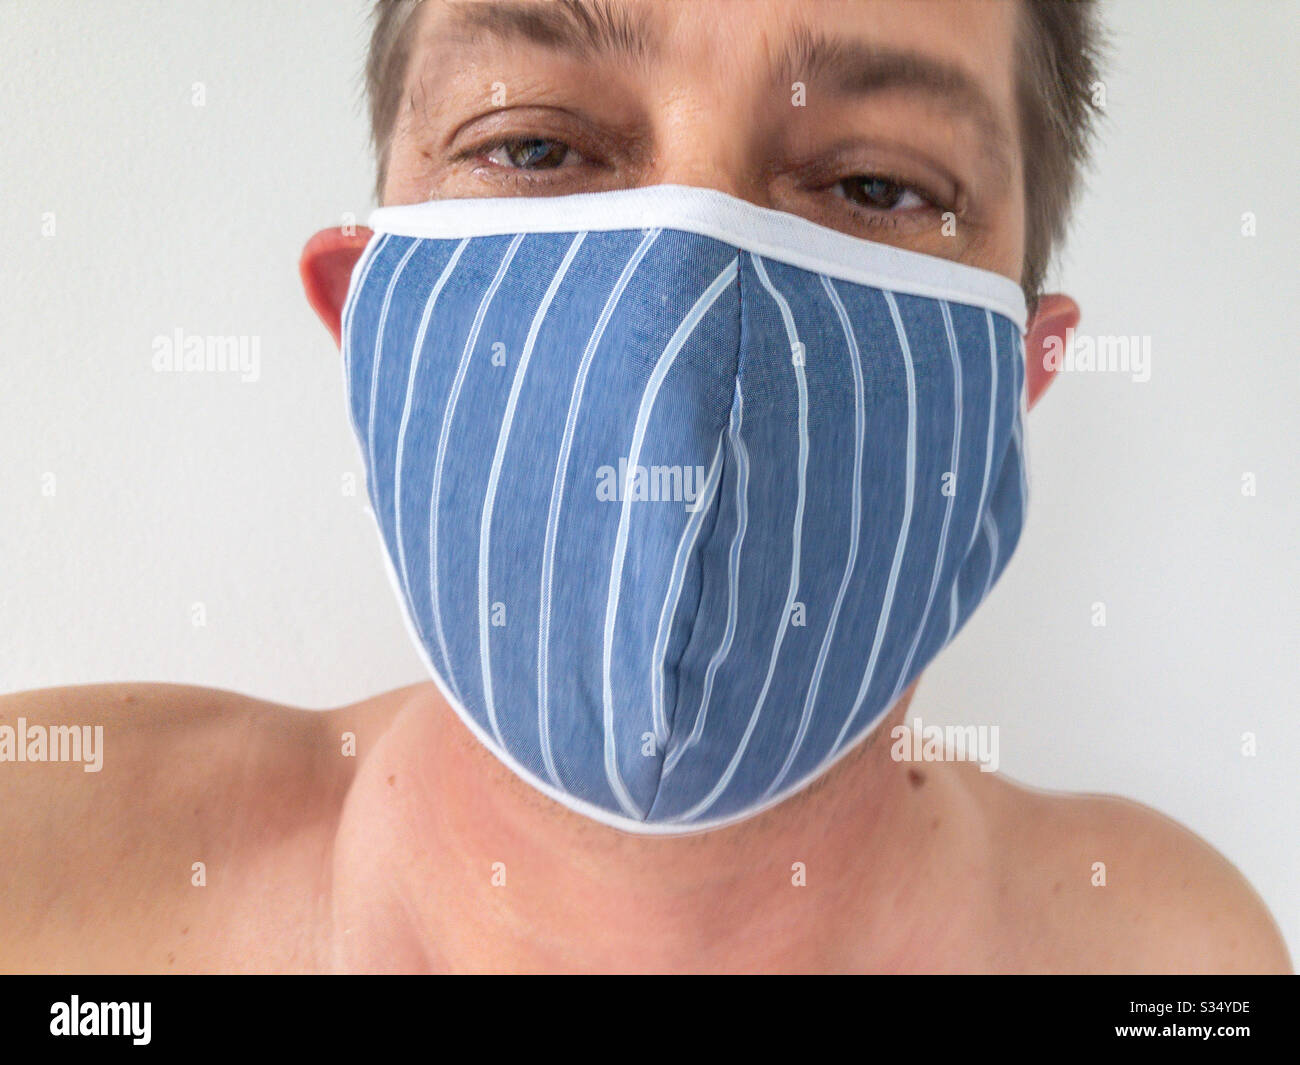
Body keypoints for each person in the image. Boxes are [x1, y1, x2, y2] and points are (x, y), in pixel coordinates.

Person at [1, 0, 1289, 974]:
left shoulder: (1178, 962)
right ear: (372, 319)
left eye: (875, 185)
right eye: (534, 145)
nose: (686, 299)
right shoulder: (39, 863)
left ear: (1011, 387)